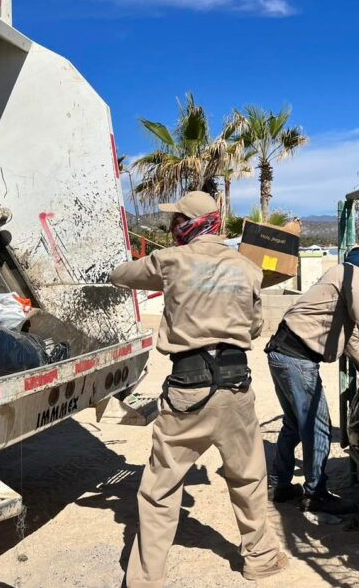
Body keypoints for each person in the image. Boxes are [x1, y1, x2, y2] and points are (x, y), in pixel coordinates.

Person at [111, 191, 287, 588]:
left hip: (187, 390)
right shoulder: (247, 268)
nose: (172, 227)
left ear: (187, 224)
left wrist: (111, 273)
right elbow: (255, 327)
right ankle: (259, 558)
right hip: (236, 386)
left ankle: (145, 579)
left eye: (176, 220)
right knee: (249, 477)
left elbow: (124, 275)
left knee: (160, 488)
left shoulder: (169, 260)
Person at [265, 241, 359, 514]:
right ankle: (315, 494)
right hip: (298, 358)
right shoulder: (354, 274)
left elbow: (348, 333)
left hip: (281, 351)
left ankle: (280, 484)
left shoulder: (338, 274)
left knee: (293, 424)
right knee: (319, 427)